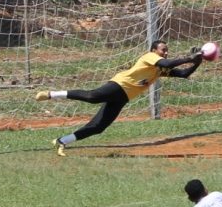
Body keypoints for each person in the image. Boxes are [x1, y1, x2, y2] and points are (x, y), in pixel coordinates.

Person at [35, 40, 202, 156]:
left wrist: (198, 62)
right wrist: (188, 58)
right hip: (119, 85)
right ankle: (51, 94)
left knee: (98, 127)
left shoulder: (160, 69)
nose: (166, 52)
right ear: (154, 51)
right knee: (93, 96)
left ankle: (61, 141)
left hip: (124, 97)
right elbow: (167, 64)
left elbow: (183, 73)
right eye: (163, 49)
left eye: (166, 50)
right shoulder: (150, 57)